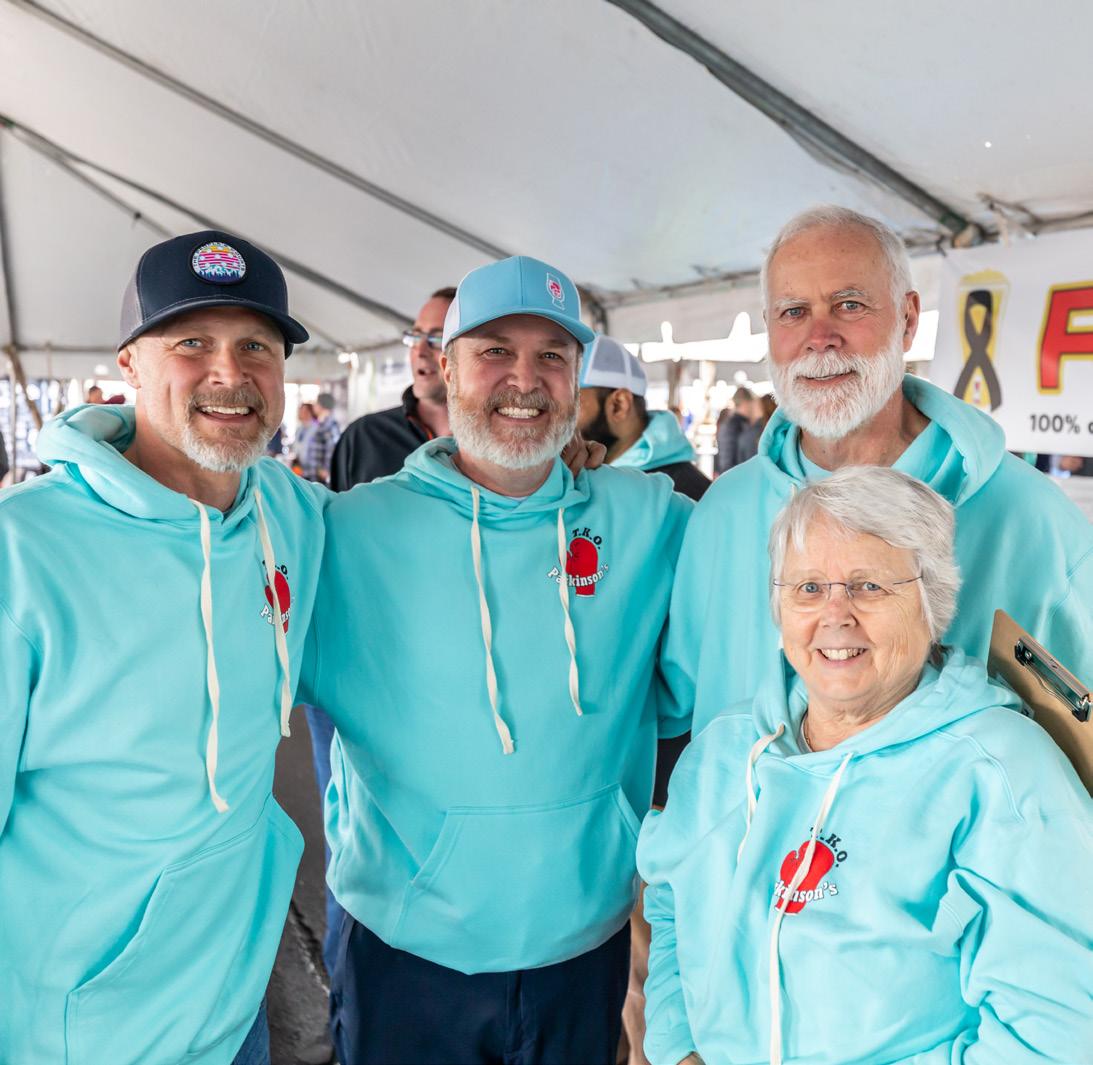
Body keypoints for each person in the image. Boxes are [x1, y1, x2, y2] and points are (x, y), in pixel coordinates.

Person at [300, 255, 692, 1065]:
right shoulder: (347, 531)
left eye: (551, 355)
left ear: (578, 376)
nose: (525, 378)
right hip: (405, 950)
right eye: (493, 352)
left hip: (582, 943)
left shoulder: (651, 518)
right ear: (444, 369)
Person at [0, 230, 327, 1065]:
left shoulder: (290, 513)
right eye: (191, 343)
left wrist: (569, 469)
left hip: (236, 1009)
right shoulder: (21, 549)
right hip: (75, 1034)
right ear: (130, 365)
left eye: (256, 346)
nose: (229, 372)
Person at [639, 466, 1092, 1065]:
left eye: (869, 587)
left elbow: (1056, 1033)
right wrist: (678, 1048)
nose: (836, 615)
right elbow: (672, 905)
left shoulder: (1003, 772)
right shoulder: (724, 748)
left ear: (932, 603)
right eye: (808, 587)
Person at [665, 205, 1093, 735]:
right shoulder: (723, 511)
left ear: (908, 320)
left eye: (849, 305)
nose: (820, 337)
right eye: (793, 312)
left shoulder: (1030, 519)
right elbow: (665, 702)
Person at [329, 286, 456, 490]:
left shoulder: (492, 446)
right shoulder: (363, 437)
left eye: (437, 338)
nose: (420, 351)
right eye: (416, 336)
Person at [578, 334, 710, 502]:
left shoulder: (684, 496)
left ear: (619, 405)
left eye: (571, 403)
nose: (558, 417)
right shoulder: (587, 480)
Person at [298, 392, 340, 484]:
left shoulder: (330, 425)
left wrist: (325, 469)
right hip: (313, 475)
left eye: (316, 403)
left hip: (320, 478)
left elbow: (332, 448)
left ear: (322, 405)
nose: (314, 406)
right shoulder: (321, 424)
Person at [714, 386, 755, 473]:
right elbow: (728, 460)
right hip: (734, 474)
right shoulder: (735, 424)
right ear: (746, 402)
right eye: (751, 403)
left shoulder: (732, 423)